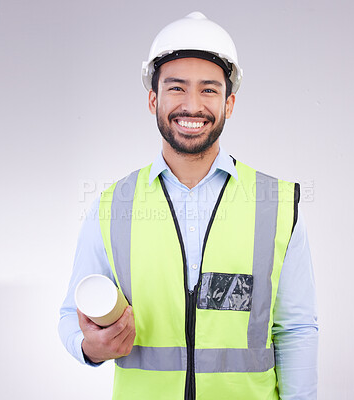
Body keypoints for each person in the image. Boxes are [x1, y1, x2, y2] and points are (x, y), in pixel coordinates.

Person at [59, 11, 318, 400]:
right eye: (176, 88)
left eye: (209, 90)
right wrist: (89, 348)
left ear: (229, 103)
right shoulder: (113, 206)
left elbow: (295, 329)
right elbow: (70, 318)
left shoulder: (276, 205)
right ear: (153, 99)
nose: (192, 105)